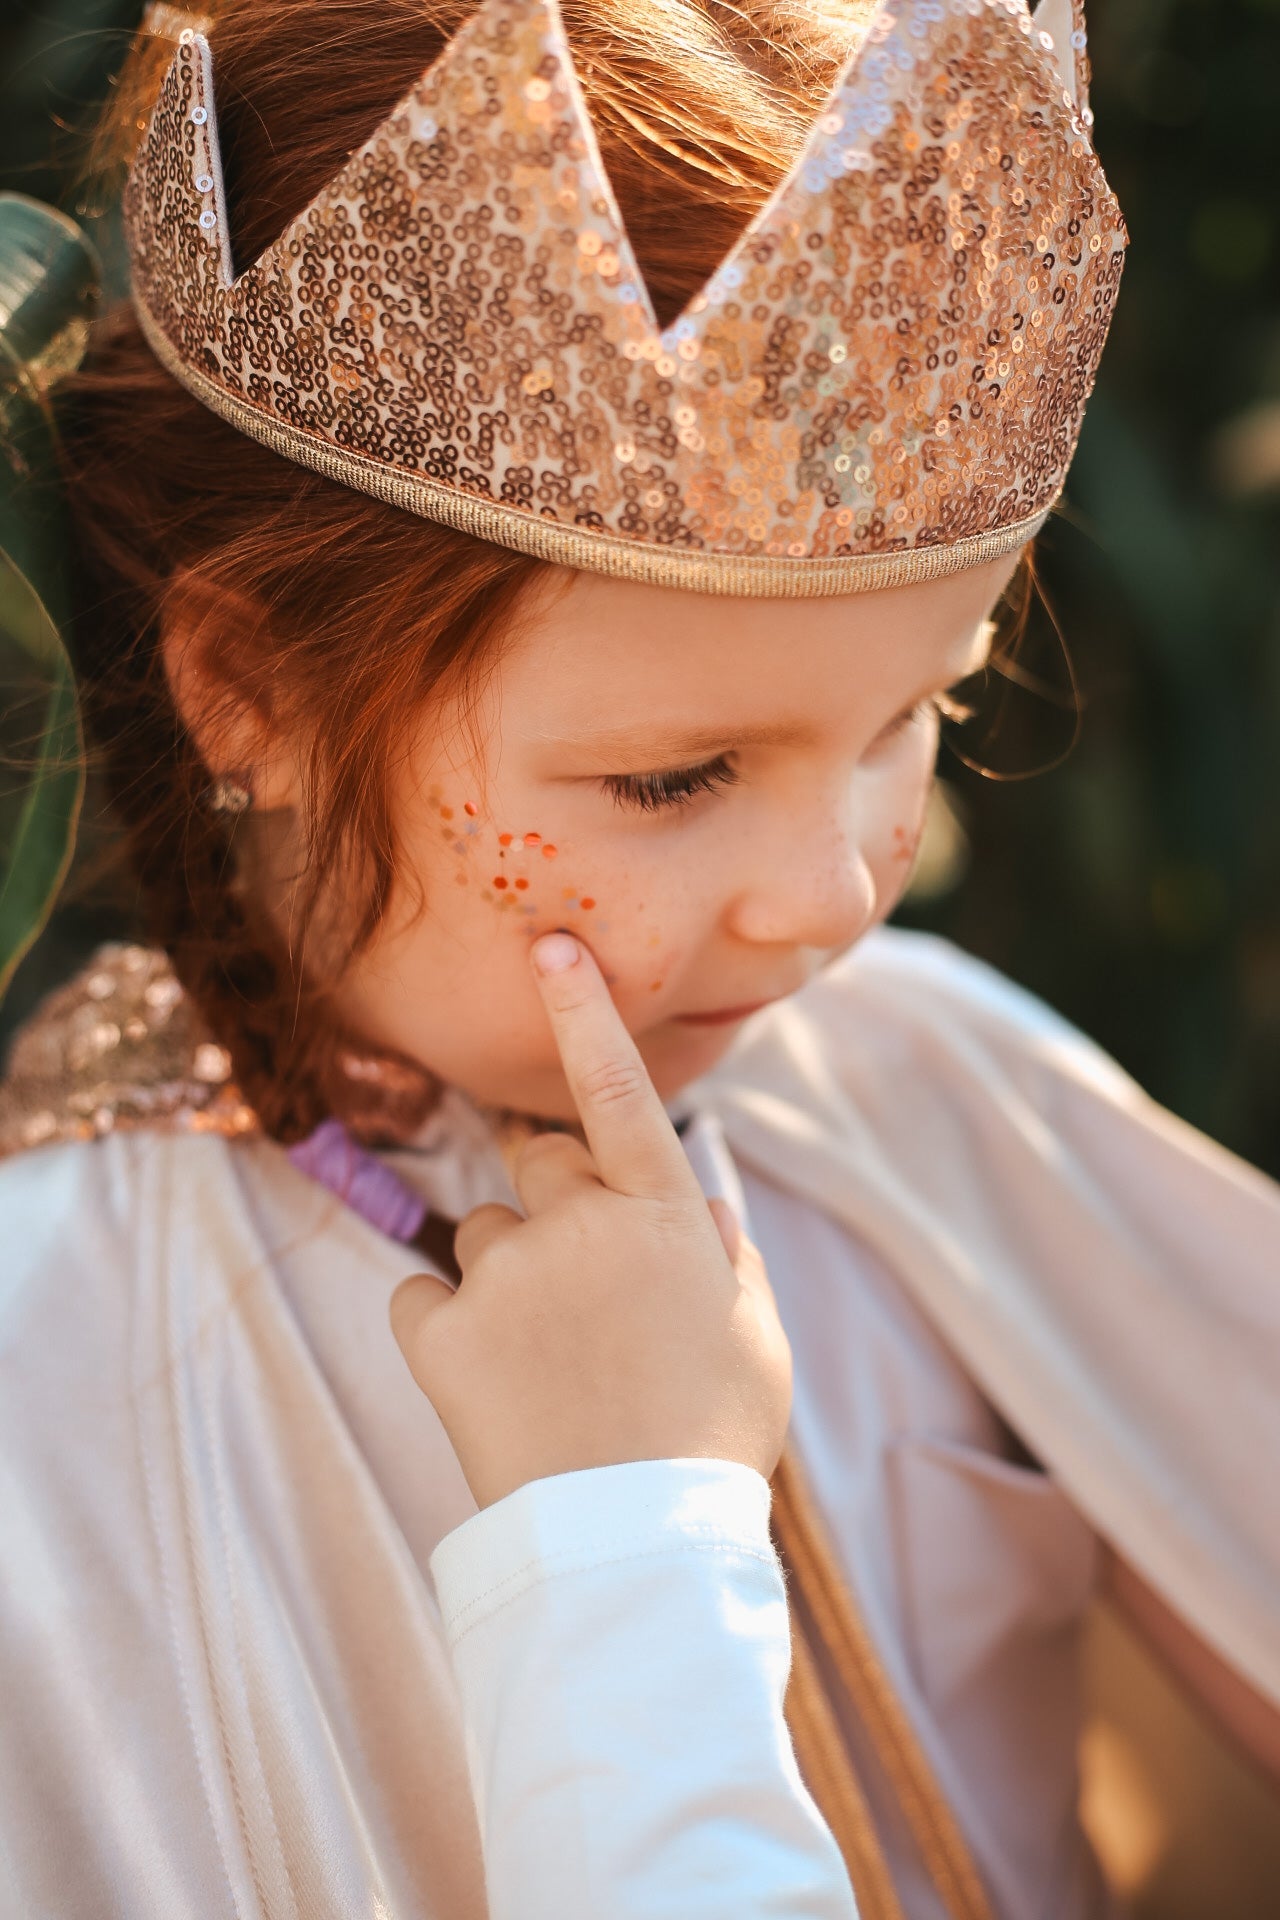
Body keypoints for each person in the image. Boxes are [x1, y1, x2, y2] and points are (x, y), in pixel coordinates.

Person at [0, 0, 1276, 1915]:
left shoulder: (925, 1092)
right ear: (248, 682)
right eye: (673, 776)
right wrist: (621, 1531)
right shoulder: (56, 1395)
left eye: (906, 715)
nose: (834, 895)